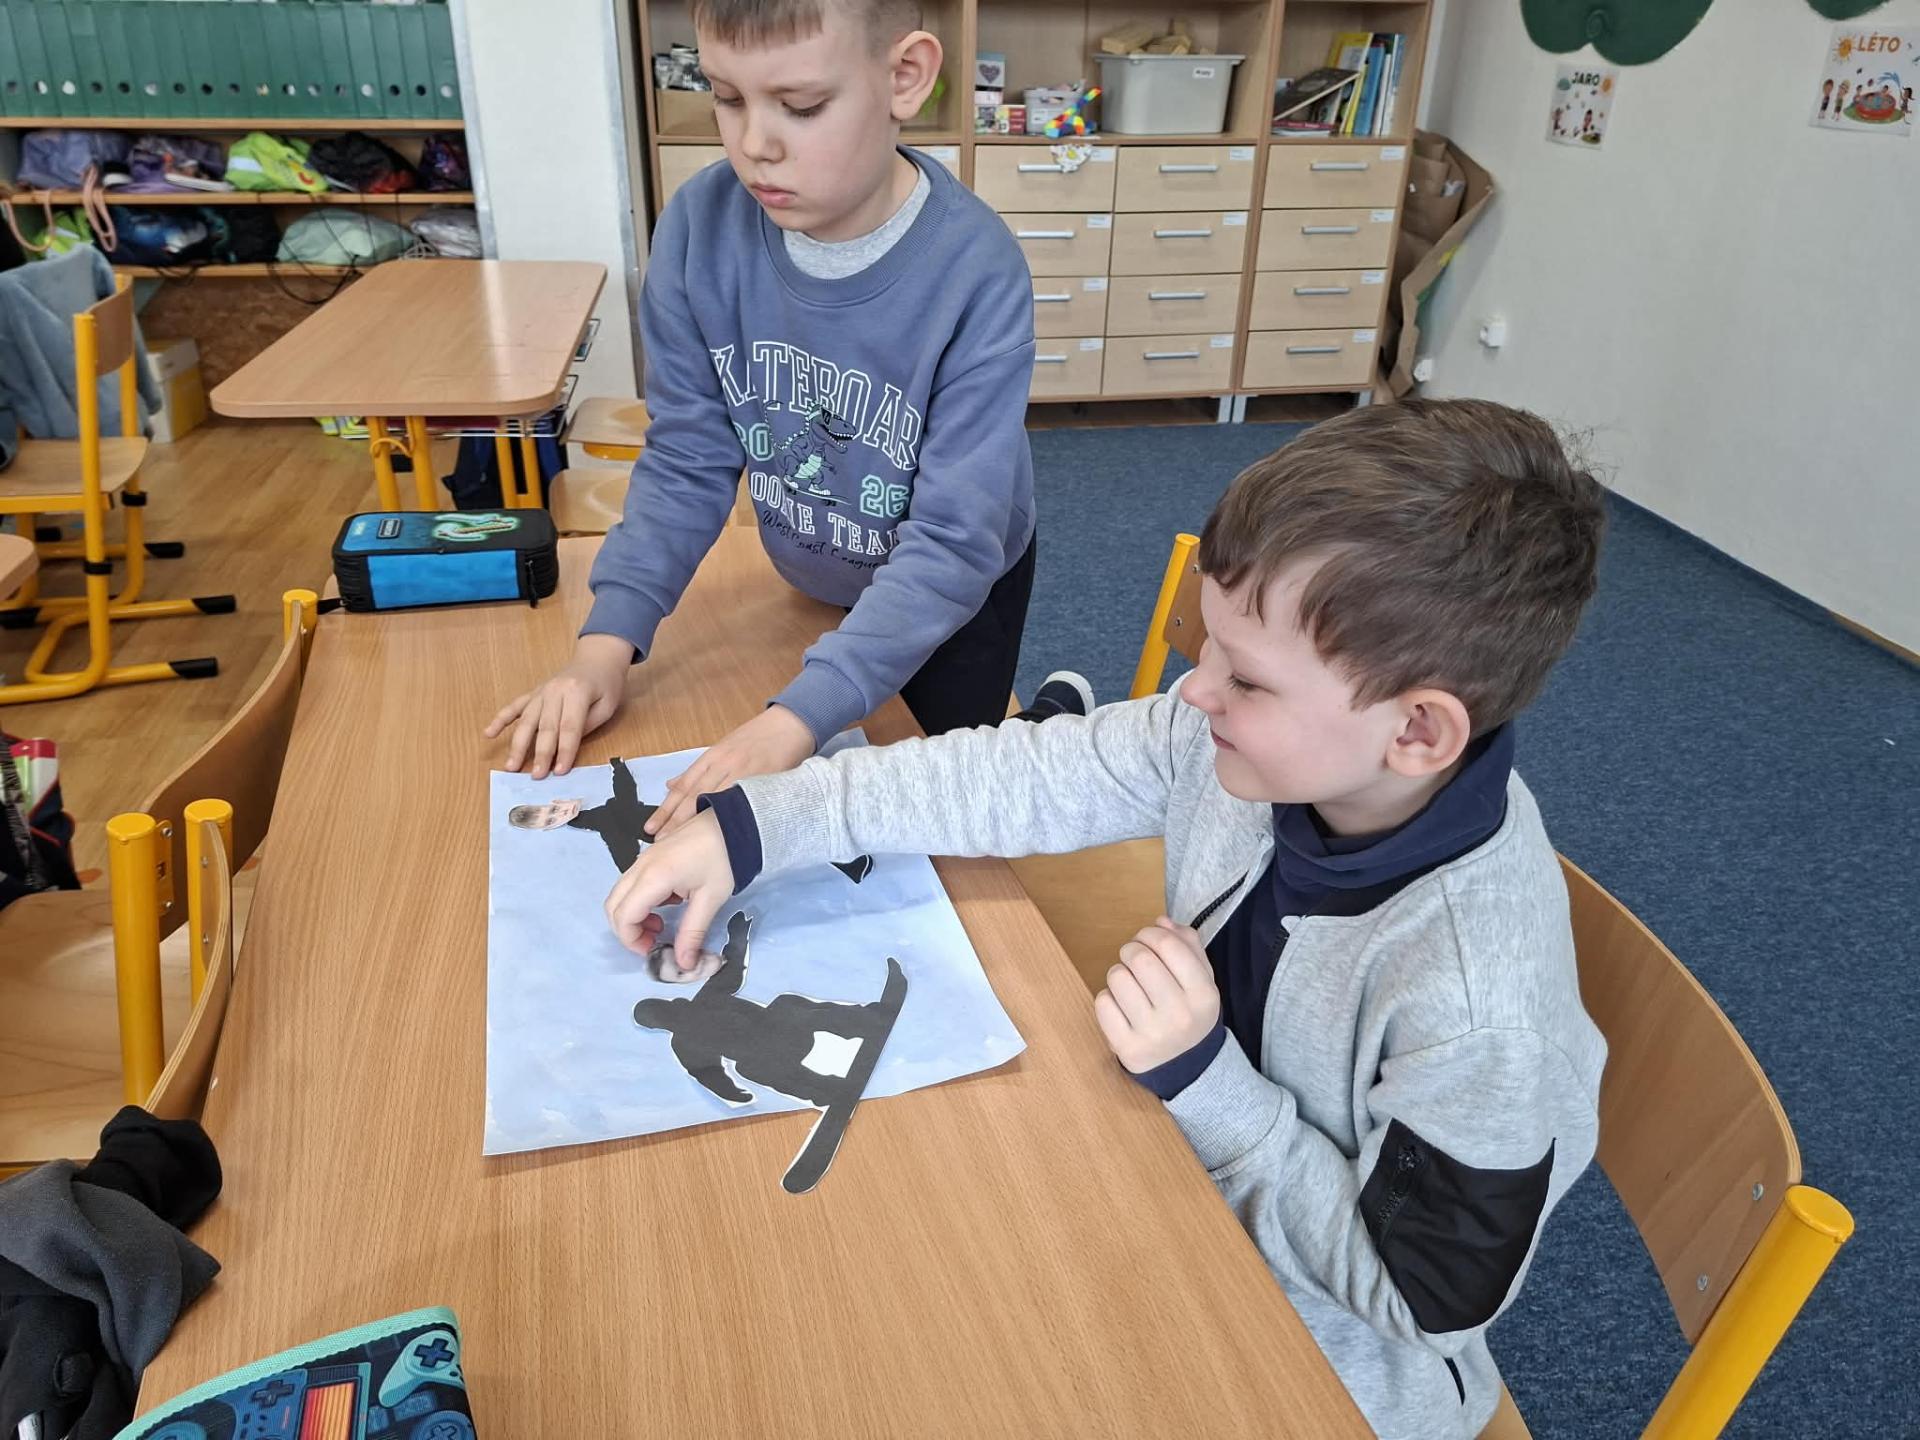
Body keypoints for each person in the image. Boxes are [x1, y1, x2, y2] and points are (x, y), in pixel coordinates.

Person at [602, 399, 1612, 1439]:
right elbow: (1031, 774)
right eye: (1208, 648)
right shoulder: (1271, 748)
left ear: (1418, 730)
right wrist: (764, 823)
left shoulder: (1480, 1013)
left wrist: (1205, 1081)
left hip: (1318, 1361)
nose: (1195, 691)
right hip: (1164, 1166)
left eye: (1245, 677)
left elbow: (1415, 1299)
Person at [486, 0, 1038, 844]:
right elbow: (686, 460)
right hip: (816, 566)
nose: (753, 143)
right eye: (725, 96)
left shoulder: (977, 271)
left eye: (801, 106)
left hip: (956, 595)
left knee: (932, 820)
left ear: (905, 78)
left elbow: (953, 544)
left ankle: (1046, 718)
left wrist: (796, 718)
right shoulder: (699, 230)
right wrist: (605, 644)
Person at [506, 756, 657, 872]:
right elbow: (620, 848)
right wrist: (619, 768)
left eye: (554, 810)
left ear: (557, 802)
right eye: (551, 821)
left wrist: (618, 768)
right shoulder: (598, 820)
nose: (562, 813)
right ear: (550, 828)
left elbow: (625, 791)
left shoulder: (590, 797)